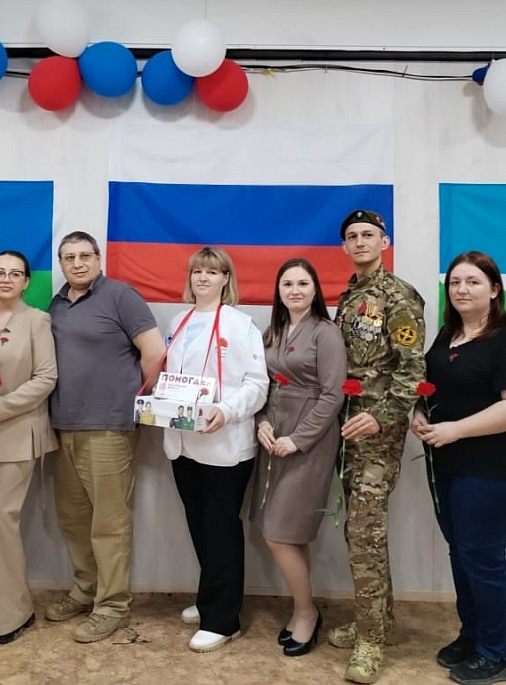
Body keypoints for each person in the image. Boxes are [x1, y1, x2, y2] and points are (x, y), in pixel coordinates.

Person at [410, 251, 506, 685]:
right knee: (462, 551)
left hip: (494, 466)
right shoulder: (449, 334)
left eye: (473, 282)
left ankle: (496, 654)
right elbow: (433, 386)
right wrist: (419, 413)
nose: (462, 289)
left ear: (494, 289)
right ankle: (473, 634)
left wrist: (456, 430)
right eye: (455, 282)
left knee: (482, 557)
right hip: (448, 463)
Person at [45, 231, 164, 643]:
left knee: (109, 523)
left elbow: (154, 351)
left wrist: (139, 399)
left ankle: (113, 606)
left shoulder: (120, 296)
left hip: (109, 427)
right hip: (64, 426)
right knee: (74, 519)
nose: (77, 263)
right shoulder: (57, 304)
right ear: (61, 263)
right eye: (69, 257)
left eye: (85, 255)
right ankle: (86, 590)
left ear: (98, 258)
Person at [329, 210, 425, 684]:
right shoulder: (350, 296)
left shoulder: (398, 295)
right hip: (349, 430)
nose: (360, 241)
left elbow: (414, 371)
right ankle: (380, 622)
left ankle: (369, 643)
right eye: (352, 236)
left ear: (384, 242)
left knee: (365, 533)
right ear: (344, 246)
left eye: (368, 234)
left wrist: (381, 416)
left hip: (378, 432)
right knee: (361, 533)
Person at [162, 247, 268, 653]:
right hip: (183, 442)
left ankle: (224, 619)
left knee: (221, 528)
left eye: (212, 272)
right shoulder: (178, 321)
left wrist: (227, 410)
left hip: (225, 445)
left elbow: (257, 385)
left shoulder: (242, 325)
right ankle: (212, 596)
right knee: (199, 525)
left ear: (226, 279)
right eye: (197, 272)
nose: (203, 278)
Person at [250, 258, 346, 657]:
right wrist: (260, 422)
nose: (295, 290)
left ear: (315, 289)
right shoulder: (272, 331)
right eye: (287, 283)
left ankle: (307, 612)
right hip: (273, 437)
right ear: (278, 290)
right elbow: (260, 385)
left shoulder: (326, 333)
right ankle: (301, 608)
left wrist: (299, 439)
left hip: (309, 439)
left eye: (303, 283)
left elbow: (333, 394)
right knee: (290, 533)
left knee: (278, 533)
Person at [0, 250, 58, 645]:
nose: (6, 279)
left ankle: (14, 613)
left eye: (15, 273)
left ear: (26, 282)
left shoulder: (37, 320)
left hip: (18, 433)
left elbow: (46, 378)